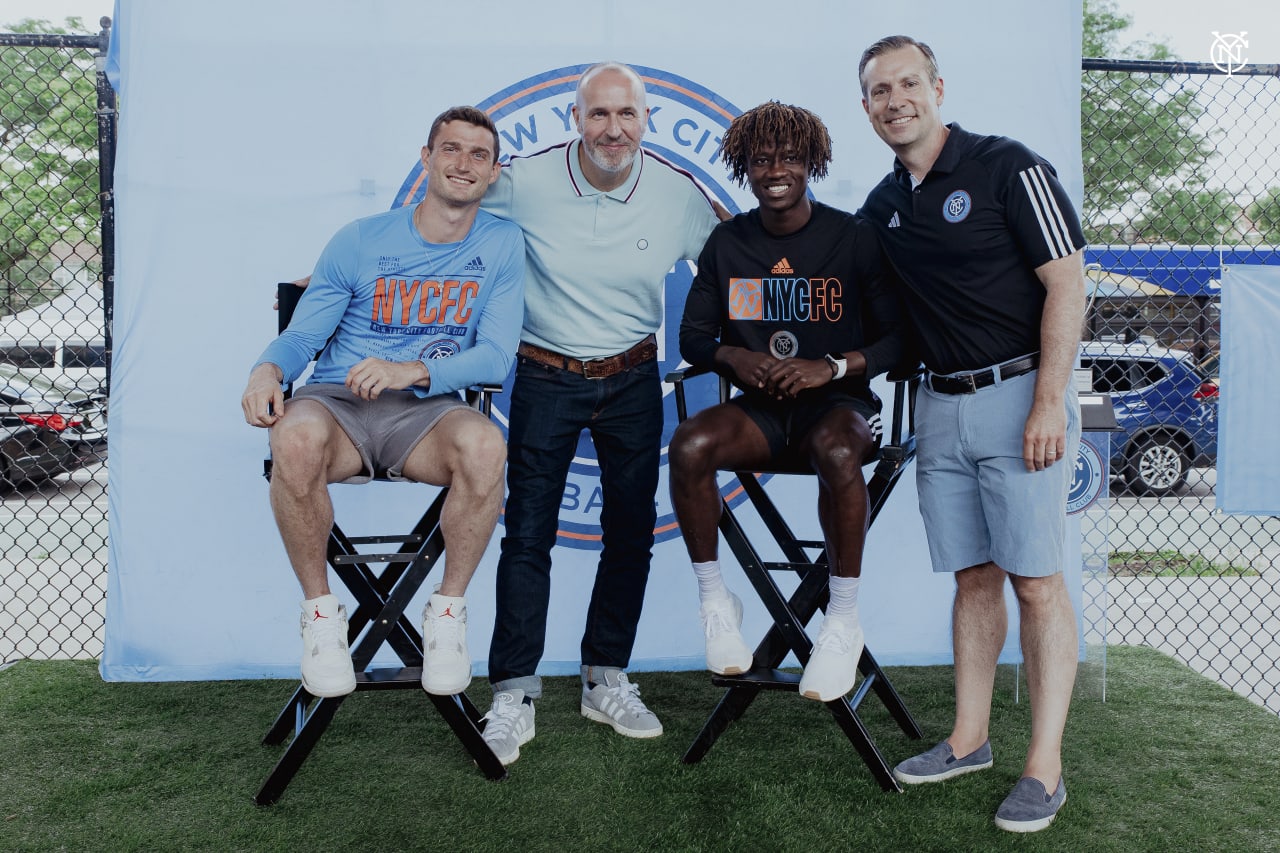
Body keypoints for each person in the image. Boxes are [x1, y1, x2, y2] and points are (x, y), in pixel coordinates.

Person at [857, 36, 1086, 833]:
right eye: (880, 90)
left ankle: (1044, 768)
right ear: (867, 107)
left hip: (1023, 393)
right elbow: (839, 279)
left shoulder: (1007, 165)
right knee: (974, 579)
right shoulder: (882, 207)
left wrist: (1050, 401)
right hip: (940, 408)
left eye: (908, 83)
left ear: (938, 88)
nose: (896, 100)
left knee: (1036, 582)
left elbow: (1068, 281)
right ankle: (968, 738)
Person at [477, 61, 723, 765]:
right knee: (526, 534)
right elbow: (443, 213)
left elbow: (734, 263)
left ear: (645, 120)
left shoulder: (678, 194)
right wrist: (339, 272)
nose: (612, 129)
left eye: (627, 115)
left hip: (634, 377)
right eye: (598, 114)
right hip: (545, 371)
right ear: (574, 118)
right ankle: (513, 691)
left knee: (629, 533)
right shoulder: (523, 182)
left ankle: (604, 675)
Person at [240, 107, 525, 701]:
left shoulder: (502, 243)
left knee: (486, 443)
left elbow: (496, 357)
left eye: (478, 155)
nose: (463, 164)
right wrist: (266, 371)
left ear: (494, 172)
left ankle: (446, 615)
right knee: (292, 434)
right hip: (338, 406)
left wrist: (413, 370)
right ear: (426, 158)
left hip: (425, 414)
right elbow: (302, 338)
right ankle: (321, 617)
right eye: (450, 149)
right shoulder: (361, 238)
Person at [669, 101, 904, 702]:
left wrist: (830, 367)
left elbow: (898, 340)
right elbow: (693, 336)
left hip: (839, 408)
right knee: (691, 442)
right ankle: (717, 602)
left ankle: (842, 620)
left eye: (791, 157)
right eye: (762, 158)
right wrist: (735, 357)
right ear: (744, 167)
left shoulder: (852, 237)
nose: (776, 168)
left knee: (833, 449)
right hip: (762, 413)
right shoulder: (728, 242)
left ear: (812, 164)